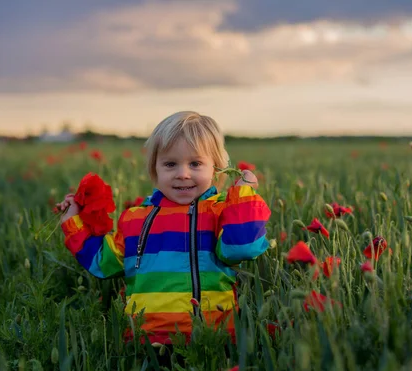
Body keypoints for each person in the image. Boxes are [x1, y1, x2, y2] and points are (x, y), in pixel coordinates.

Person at [56, 111, 271, 349]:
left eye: (196, 163)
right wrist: (72, 221)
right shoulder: (135, 219)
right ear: (155, 169)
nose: (182, 173)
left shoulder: (220, 213)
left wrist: (243, 194)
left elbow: (243, 247)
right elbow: (102, 261)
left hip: (214, 340)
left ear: (216, 169)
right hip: (145, 343)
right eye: (170, 164)